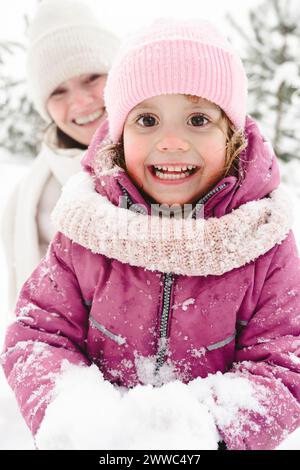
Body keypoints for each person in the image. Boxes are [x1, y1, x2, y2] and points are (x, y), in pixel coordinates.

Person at [1, 18, 300, 450]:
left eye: (198, 118)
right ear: (120, 136)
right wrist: (74, 417)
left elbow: (285, 359)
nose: (172, 141)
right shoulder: (88, 229)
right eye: (147, 120)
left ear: (232, 133)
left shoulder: (263, 240)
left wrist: (204, 432)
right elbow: (37, 334)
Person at [2, 0, 119, 310]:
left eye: (92, 77)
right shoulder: (29, 202)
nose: (80, 102)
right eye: (58, 91)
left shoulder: (177, 165)